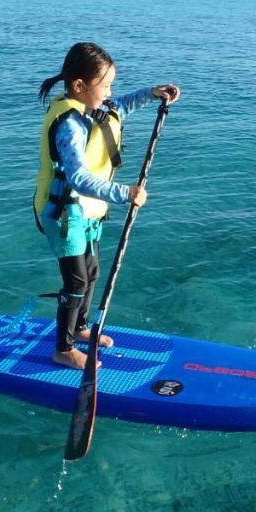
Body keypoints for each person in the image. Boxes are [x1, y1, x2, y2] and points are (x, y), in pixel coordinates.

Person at [32, 42, 180, 369]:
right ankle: (64, 348)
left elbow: (120, 106)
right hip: (64, 214)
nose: (110, 92)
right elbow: (78, 177)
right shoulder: (69, 124)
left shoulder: (93, 107)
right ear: (79, 86)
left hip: (86, 213)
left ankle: (81, 328)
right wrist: (124, 193)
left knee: (92, 271)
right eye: (106, 85)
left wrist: (152, 93)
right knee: (76, 282)